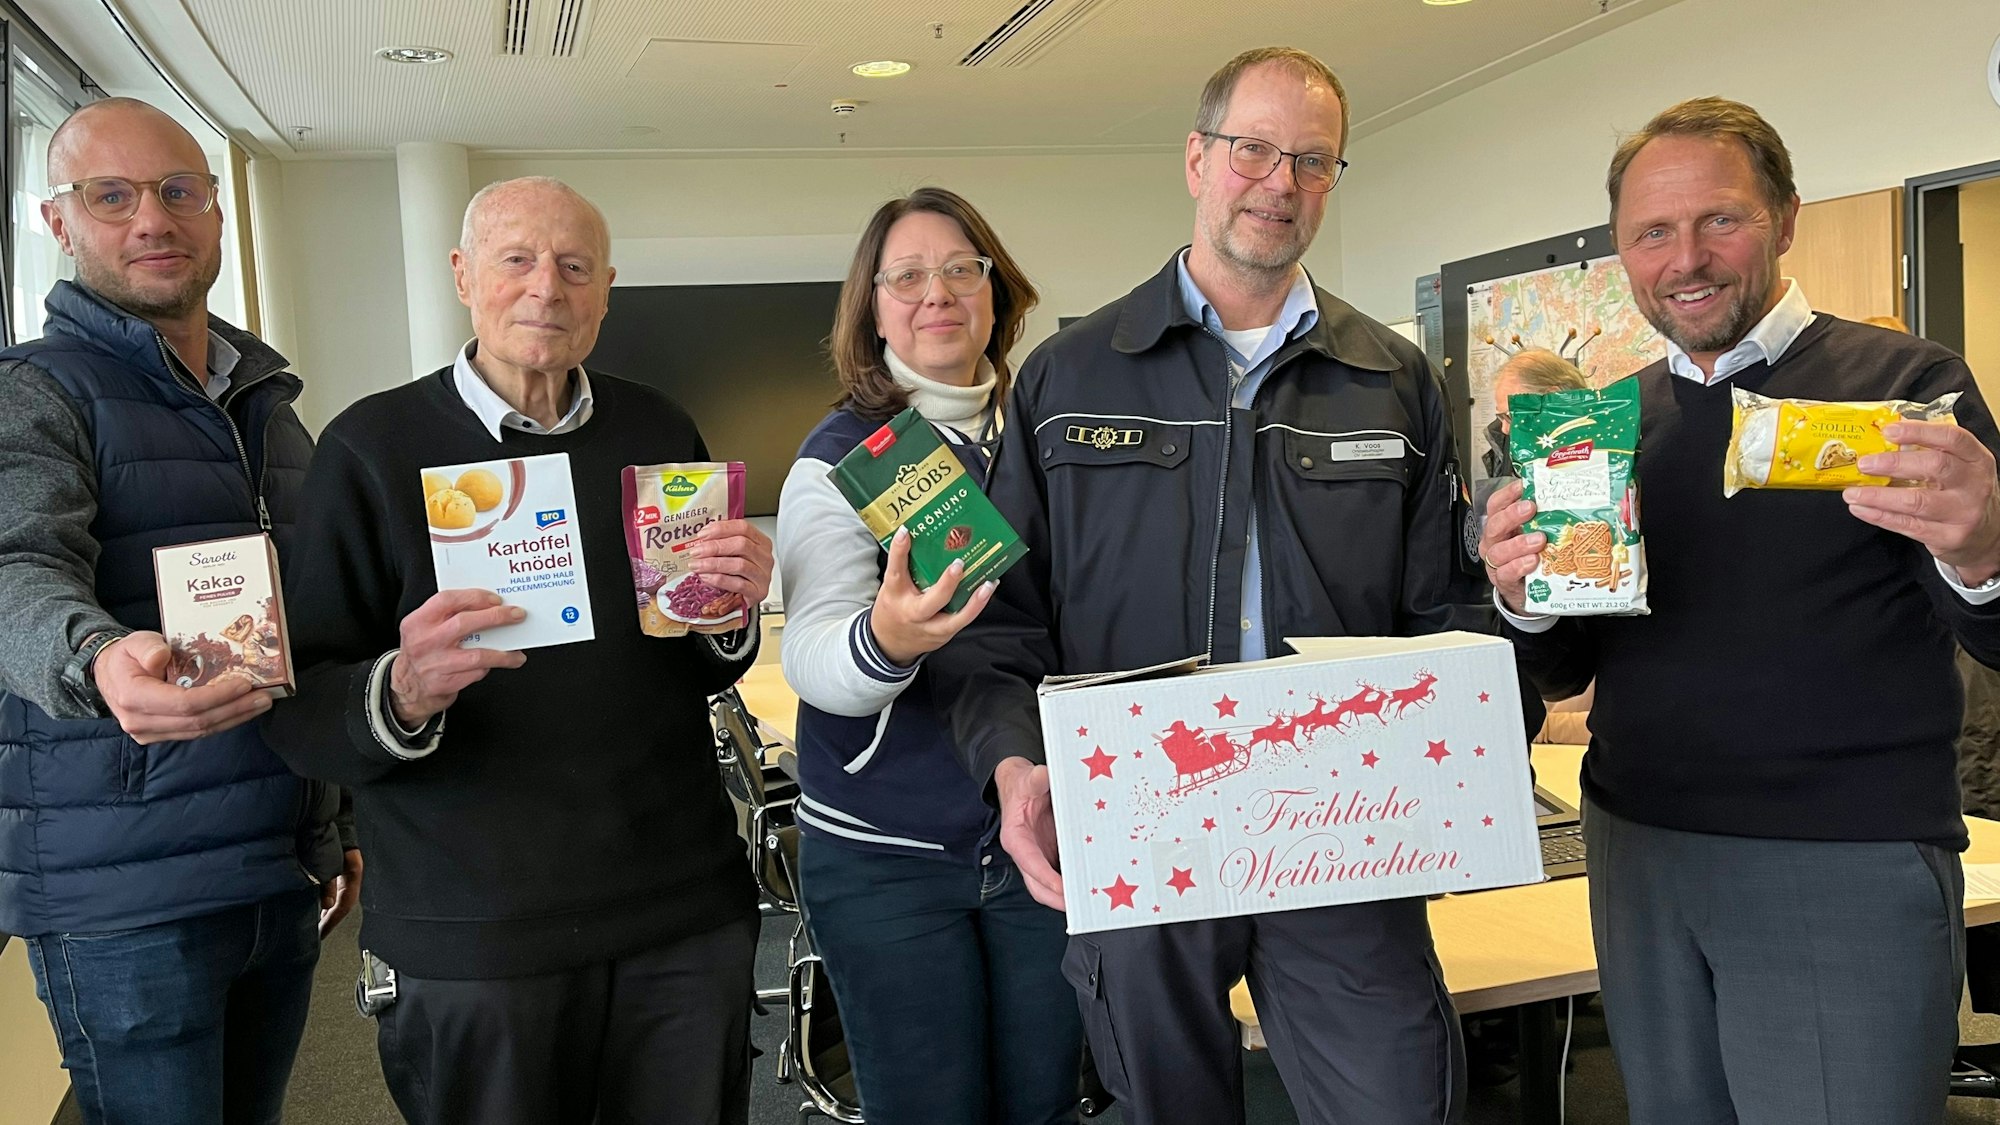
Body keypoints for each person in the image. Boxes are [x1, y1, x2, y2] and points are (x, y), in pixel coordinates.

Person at [933, 47, 1480, 1125]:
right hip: (1140, 813)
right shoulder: (1067, 373)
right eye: (1253, 150)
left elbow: (1438, 613)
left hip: (1340, 817)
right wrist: (1010, 761)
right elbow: (1000, 617)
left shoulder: (1393, 377)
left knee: (1398, 1099)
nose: (1279, 181)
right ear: (1196, 158)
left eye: (1311, 161)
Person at [1479, 96, 2000, 1125]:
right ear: (1623, 253)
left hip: (1839, 859)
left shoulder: (1902, 387)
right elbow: (1566, 670)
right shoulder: (1607, 420)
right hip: (1636, 852)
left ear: (1784, 218)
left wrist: (1985, 550)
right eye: (1651, 233)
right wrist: (1522, 600)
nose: (1686, 259)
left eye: (1718, 219)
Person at [263, 176, 773, 1125]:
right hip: (475, 931)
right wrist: (404, 688)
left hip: (679, 909)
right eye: (517, 260)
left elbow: (696, 659)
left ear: (607, 290)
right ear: (462, 274)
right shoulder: (371, 446)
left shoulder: (659, 428)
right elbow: (301, 710)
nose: (548, 288)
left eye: (575, 266)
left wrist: (729, 613)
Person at [0, 98, 354, 1125]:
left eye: (177, 191)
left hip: (272, 868)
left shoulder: (271, 406)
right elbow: (14, 565)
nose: (151, 219)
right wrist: (98, 659)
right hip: (125, 902)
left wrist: (336, 822)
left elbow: (315, 626)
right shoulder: (32, 393)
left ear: (214, 215)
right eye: (111, 196)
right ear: (59, 224)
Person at [774, 187, 1082, 1124]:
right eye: (905, 276)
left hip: (1054, 827)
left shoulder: (1056, 431)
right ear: (871, 309)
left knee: (1046, 1106)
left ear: (998, 289)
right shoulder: (840, 459)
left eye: (961, 268)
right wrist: (887, 639)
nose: (936, 292)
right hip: (888, 856)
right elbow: (815, 651)